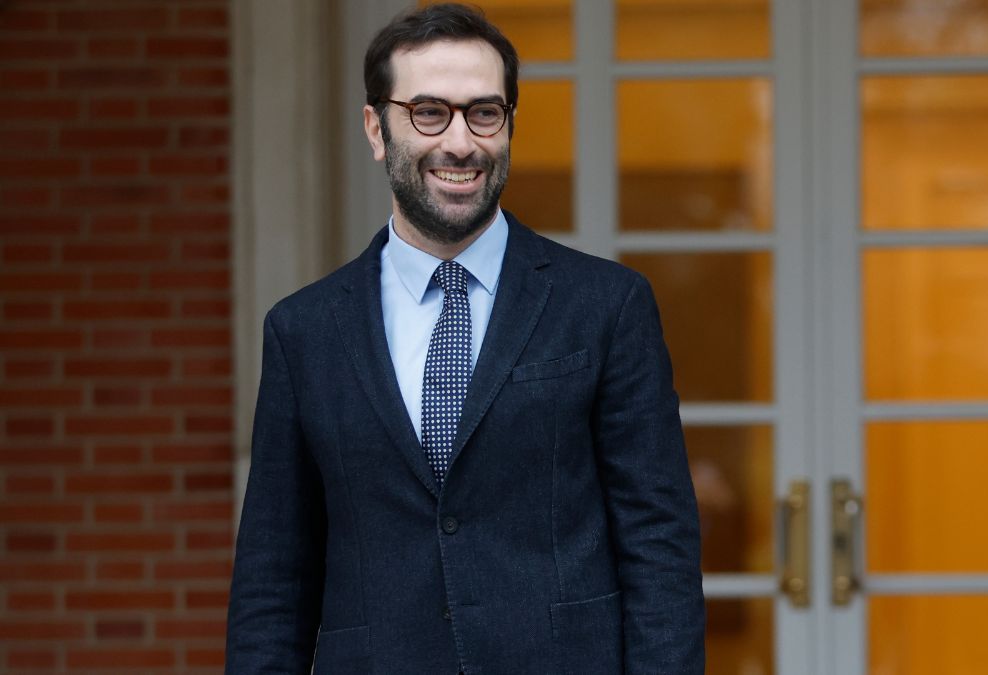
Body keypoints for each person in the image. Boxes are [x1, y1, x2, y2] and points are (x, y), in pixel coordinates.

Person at [224, 4, 704, 674]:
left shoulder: (606, 306)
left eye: (484, 113)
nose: (460, 142)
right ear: (376, 128)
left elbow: (659, 545)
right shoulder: (304, 331)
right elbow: (274, 577)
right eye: (429, 112)